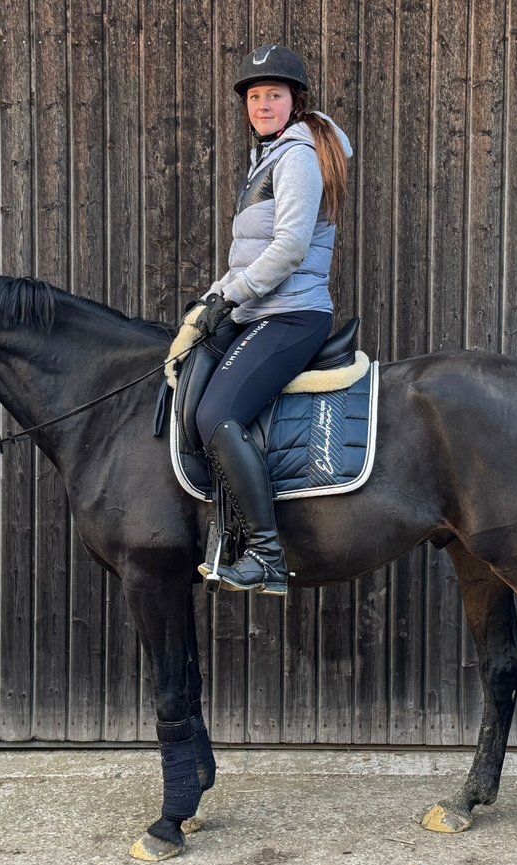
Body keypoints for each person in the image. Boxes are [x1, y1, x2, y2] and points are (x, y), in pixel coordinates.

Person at [193, 44, 353, 596]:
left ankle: (264, 553)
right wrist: (210, 301)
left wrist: (229, 296)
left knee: (216, 414)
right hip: (262, 308)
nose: (262, 104)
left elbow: (288, 249)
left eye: (273, 95)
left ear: (295, 101)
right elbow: (247, 258)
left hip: (293, 315)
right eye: (255, 96)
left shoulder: (299, 156)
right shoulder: (268, 157)